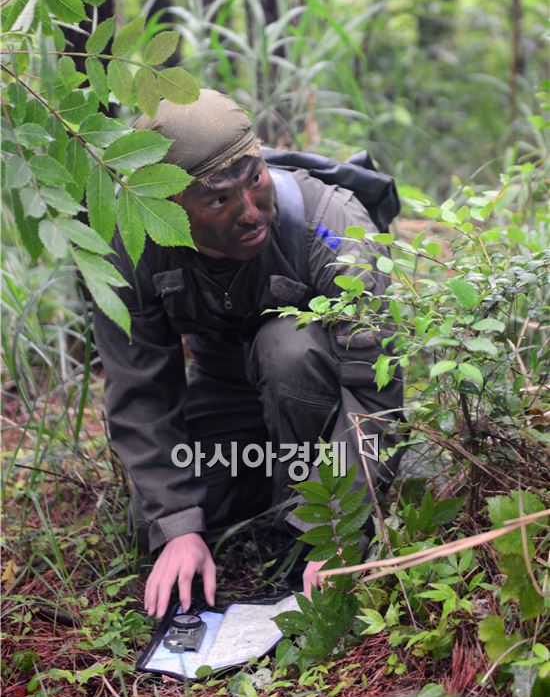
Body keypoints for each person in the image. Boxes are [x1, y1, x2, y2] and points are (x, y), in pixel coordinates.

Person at [92, 89, 404, 621]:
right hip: (228, 392)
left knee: (286, 345)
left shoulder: (331, 226)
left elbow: (373, 394)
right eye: (218, 200)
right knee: (172, 520)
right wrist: (179, 526)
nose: (250, 211)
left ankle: (308, 521)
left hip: (319, 392)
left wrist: (336, 528)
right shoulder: (133, 246)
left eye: (254, 178)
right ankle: (274, 493)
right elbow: (140, 389)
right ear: (166, 205)